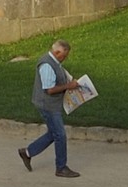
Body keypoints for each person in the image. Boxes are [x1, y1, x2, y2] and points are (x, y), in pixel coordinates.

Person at [18, 39, 81, 177]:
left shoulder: (54, 63)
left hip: (50, 104)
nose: (64, 59)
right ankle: (61, 167)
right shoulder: (47, 65)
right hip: (48, 105)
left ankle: (27, 152)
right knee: (60, 135)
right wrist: (68, 86)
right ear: (57, 52)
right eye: (64, 56)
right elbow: (50, 90)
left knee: (54, 134)